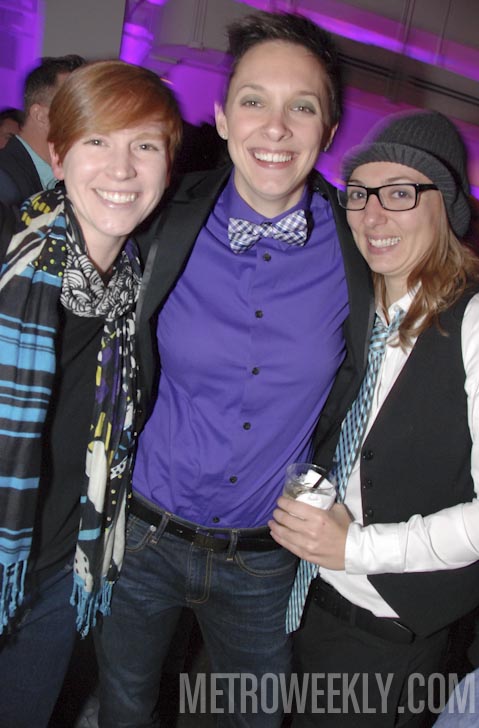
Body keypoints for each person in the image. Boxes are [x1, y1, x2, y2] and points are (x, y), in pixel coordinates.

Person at [94, 10, 374, 728]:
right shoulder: (159, 217)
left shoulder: (362, 251)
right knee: (124, 706)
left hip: (264, 556)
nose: (275, 127)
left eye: (301, 107)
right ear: (222, 118)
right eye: (253, 101)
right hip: (143, 535)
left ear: (329, 131)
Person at [270, 110, 479, 727]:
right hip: (301, 600)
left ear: (444, 208)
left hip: (383, 635)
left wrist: (355, 547)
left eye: (399, 193)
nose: (371, 215)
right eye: (361, 193)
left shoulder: (477, 321)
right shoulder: (351, 313)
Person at [0, 59, 182, 728]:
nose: (122, 168)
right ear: (58, 154)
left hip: (60, 574)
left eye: (145, 145)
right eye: (97, 140)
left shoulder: (143, 286)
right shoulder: (8, 251)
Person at [0, 54, 85, 205]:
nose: (87, 120)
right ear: (40, 116)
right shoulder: (5, 183)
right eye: (74, 108)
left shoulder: (55, 181)